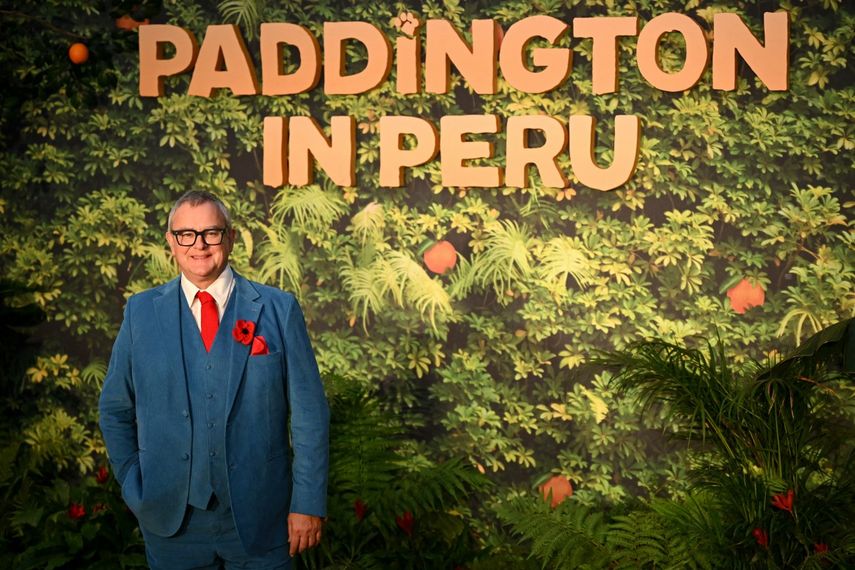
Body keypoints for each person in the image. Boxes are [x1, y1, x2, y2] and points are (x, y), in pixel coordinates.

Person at [99, 190, 329, 569]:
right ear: (171, 242)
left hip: (263, 518)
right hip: (171, 521)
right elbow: (115, 409)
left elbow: (310, 416)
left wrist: (306, 503)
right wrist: (132, 482)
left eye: (211, 232)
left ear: (231, 237)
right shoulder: (140, 312)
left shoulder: (277, 308)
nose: (199, 245)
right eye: (186, 234)